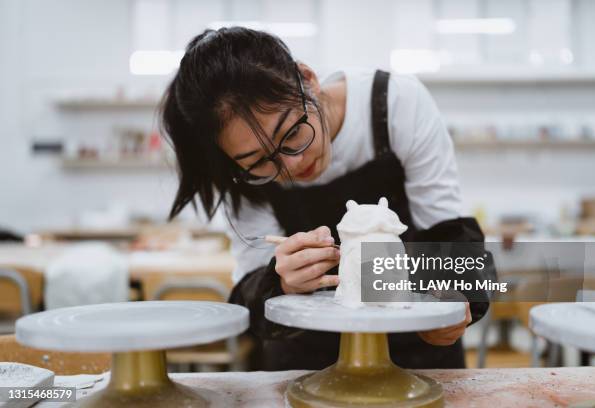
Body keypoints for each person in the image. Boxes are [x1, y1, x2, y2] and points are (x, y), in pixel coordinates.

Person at [160, 27, 490, 371]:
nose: (291, 165)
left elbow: (448, 232)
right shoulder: (238, 173)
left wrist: (454, 304)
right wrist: (281, 282)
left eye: (292, 133)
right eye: (259, 161)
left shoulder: (396, 105)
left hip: (417, 347)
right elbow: (250, 294)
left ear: (307, 79)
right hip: (305, 361)